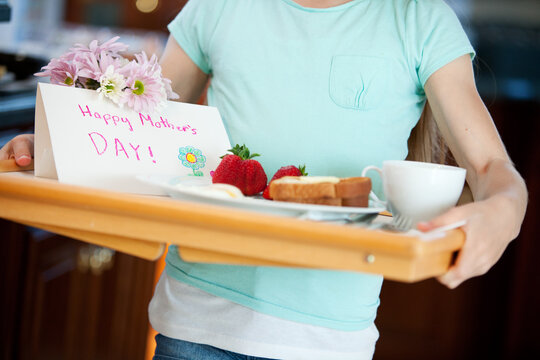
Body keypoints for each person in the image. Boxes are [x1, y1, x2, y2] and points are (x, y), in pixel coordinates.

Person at [0, 0, 528, 359]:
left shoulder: (420, 18)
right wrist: (55, 144)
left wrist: (501, 210)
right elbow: (143, 123)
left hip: (327, 341)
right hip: (193, 326)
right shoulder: (220, 5)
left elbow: (490, 168)